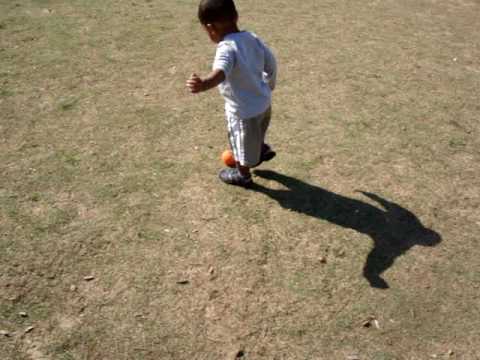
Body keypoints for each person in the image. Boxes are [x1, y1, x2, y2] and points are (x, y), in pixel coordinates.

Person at [186, 0, 277, 187]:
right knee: (259, 129)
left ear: (209, 27)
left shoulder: (226, 48)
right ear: (236, 16)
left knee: (239, 142)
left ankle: (243, 175)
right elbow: (271, 61)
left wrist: (204, 84)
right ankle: (260, 149)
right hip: (264, 102)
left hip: (242, 112)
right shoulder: (252, 37)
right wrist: (270, 84)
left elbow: (221, 72)